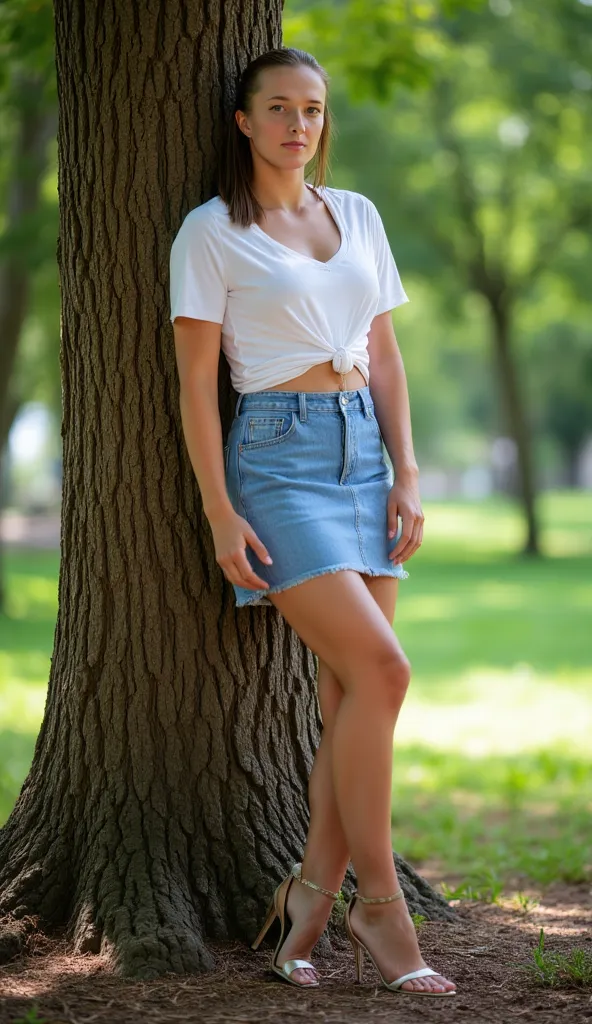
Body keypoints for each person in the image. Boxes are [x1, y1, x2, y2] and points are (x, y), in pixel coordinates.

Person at [170, 46, 456, 999]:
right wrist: (220, 510)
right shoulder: (210, 233)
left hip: (362, 457)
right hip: (278, 460)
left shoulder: (360, 216)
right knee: (384, 669)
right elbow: (197, 389)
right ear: (244, 122)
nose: (301, 125)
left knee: (349, 698)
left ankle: (308, 900)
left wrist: (406, 475)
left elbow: (385, 352)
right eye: (281, 109)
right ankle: (382, 904)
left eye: (315, 110)